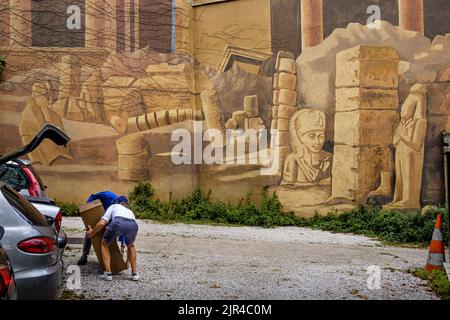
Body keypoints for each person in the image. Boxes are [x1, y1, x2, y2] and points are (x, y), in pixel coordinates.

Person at [86, 196, 139, 281]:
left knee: (104, 243)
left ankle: (108, 273)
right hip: (133, 225)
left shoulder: (113, 206)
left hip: (118, 222)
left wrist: (91, 234)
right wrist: (126, 262)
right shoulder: (130, 211)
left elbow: (102, 223)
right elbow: (128, 226)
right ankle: (135, 273)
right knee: (131, 245)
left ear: (116, 202)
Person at [281, 109, 331, 185]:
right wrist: (319, 183)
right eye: (311, 136)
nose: (317, 142)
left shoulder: (329, 158)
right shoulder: (293, 159)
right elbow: (286, 188)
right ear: (300, 136)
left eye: (321, 136)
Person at [77, 191, 126, 265]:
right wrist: (86, 208)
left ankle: (109, 259)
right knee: (90, 232)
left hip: (108, 220)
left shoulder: (121, 213)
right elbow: (93, 196)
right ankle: (84, 256)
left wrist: (122, 250)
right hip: (97, 215)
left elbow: (122, 232)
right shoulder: (108, 195)